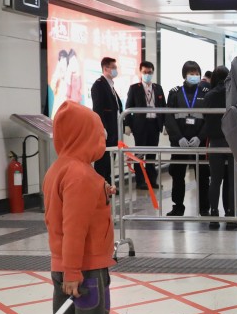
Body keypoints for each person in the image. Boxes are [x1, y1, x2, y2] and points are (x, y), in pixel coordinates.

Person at [44, 101, 133, 314]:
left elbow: (66, 214)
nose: (103, 139)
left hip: (62, 267)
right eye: (98, 134)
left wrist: (102, 192)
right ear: (83, 137)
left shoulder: (60, 169)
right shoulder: (82, 175)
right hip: (86, 271)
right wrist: (74, 272)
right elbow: (76, 228)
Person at [199, 65, 237, 230]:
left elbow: (205, 117)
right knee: (232, 180)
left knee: (215, 180)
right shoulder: (234, 93)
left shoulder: (209, 95)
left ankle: (214, 215)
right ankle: (231, 215)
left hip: (215, 141)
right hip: (233, 141)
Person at [164, 60, 210, 217]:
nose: (195, 76)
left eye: (197, 74)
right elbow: (169, 118)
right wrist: (178, 138)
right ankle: (178, 206)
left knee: (203, 175)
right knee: (177, 175)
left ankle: (204, 208)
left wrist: (200, 137)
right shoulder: (175, 92)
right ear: (184, 75)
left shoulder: (205, 91)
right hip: (180, 142)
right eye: (191, 74)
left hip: (200, 141)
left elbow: (209, 118)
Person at [124, 60, 165, 190]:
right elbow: (128, 108)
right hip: (140, 126)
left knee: (152, 154)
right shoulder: (134, 88)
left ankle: (152, 180)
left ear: (153, 72)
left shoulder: (158, 88)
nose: (147, 74)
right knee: (140, 154)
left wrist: (164, 125)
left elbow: (163, 106)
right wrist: (128, 125)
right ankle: (141, 181)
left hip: (154, 124)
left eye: (150, 72)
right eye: (145, 72)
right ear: (140, 73)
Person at [89, 56, 122, 184]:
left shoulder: (111, 86)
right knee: (102, 159)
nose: (115, 70)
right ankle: (99, 185)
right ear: (105, 68)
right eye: (113, 68)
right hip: (106, 129)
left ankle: (107, 184)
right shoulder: (99, 85)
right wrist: (102, 128)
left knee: (110, 159)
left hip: (114, 129)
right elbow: (98, 109)